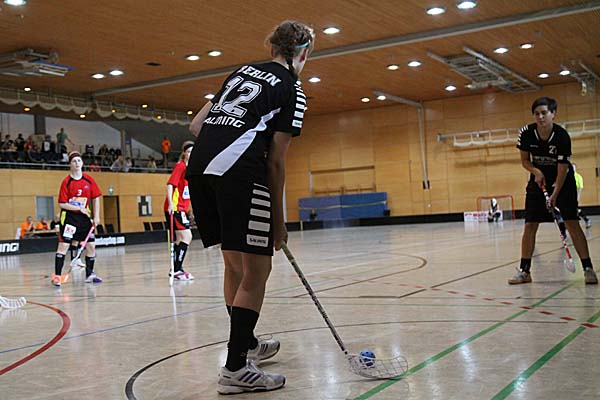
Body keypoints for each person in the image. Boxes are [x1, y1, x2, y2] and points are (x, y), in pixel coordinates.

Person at [186, 20, 314, 394]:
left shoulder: (241, 72)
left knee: (234, 265)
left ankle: (246, 343)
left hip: (200, 169)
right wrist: (279, 221)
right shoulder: (292, 88)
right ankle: (236, 367)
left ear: (272, 48)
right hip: (237, 172)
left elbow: (197, 125)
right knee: (257, 270)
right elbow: (275, 161)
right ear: (304, 53)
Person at [509, 97, 597, 285]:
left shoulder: (561, 136)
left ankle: (588, 269)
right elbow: (525, 160)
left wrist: (555, 194)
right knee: (530, 225)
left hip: (563, 181)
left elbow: (562, 167)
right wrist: (536, 171)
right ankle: (525, 271)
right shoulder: (526, 133)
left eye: (544, 113)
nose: (540, 117)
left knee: (572, 223)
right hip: (538, 181)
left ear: (553, 114)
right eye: (537, 114)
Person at [51, 151, 103, 287]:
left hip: (84, 218)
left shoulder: (89, 180)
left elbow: (96, 197)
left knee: (91, 246)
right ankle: (57, 277)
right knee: (63, 246)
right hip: (69, 218)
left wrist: (97, 216)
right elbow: (62, 203)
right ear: (70, 164)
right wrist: (78, 208)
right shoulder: (66, 182)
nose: (77, 163)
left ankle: (89, 274)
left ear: (82, 163)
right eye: (74, 161)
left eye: (79, 161)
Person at [164, 141, 195, 281]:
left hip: (182, 208)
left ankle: (175, 268)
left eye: (193, 152)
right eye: (188, 152)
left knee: (180, 239)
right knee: (187, 236)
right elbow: (170, 185)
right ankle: (177, 269)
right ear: (184, 154)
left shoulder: (191, 168)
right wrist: (171, 204)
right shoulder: (180, 166)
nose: (190, 154)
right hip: (176, 208)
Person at [572, 163, 591, 229]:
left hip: (575, 195)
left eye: (574, 167)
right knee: (573, 210)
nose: (573, 169)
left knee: (575, 210)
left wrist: (577, 198)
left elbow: (580, 188)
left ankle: (587, 220)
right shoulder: (567, 177)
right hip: (569, 196)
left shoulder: (578, 177)